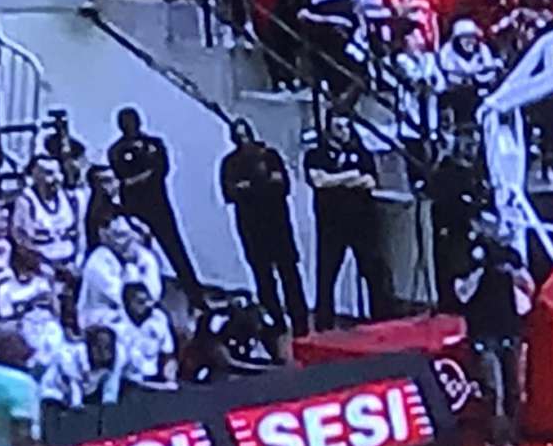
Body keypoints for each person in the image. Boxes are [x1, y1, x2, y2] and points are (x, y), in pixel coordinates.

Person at [218, 117, 308, 336]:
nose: (243, 140)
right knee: (263, 277)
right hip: (251, 227)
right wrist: (259, 186)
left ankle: (300, 320)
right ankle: (275, 319)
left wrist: (253, 187)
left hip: (277, 223)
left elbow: (282, 185)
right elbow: (231, 193)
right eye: (238, 135)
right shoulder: (230, 163)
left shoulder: (270, 156)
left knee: (290, 273)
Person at [307, 115, 394, 328]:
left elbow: (369, 181)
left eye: (347, 126)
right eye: (338, 126)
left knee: (373, 272)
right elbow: (319, 180)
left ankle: (380, 321)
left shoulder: (361, 152)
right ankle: (324, 325)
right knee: (327, 275)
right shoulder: (316, 154)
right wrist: (350, 177)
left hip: (361, 222)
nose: (344, 131)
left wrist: (336, 179)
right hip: (331, 225)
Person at [454, 216, 531, 446]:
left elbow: (527, 291)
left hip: (509, 327)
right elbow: (462, 293)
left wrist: (512, 272)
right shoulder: (468, 256)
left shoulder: (511, 256)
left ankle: (512, 435)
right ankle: (495, 437)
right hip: (484, 331)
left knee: (513, 387)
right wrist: (480, 269)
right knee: (492, 387)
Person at [107, 107, 200, 294]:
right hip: (134, 208)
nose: (129, 126)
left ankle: (194, 293)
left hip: (158, 205)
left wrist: (140, 177)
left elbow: (161, 169)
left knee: (175, 249)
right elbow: (122, 176)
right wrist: (142, 177)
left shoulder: (154, 144)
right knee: (137, 253)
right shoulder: (117, 150)